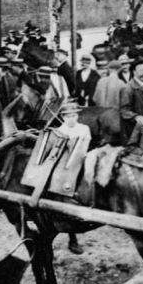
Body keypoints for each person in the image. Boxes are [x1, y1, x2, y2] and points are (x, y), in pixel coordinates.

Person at [55, 101, 92, 255]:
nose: (71, 119)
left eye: (74, 115)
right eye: (68, 116)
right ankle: (72, 238)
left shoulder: (84, 129)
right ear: (63, 117)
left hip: (82, 159)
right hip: (65, 165)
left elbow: (85, 146)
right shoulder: (59, 131)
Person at [119, 58, 143, 144]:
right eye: (141, 70)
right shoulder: (128, 88)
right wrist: (136, 117)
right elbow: (124, 110)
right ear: (134, 72)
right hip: (134, 129)